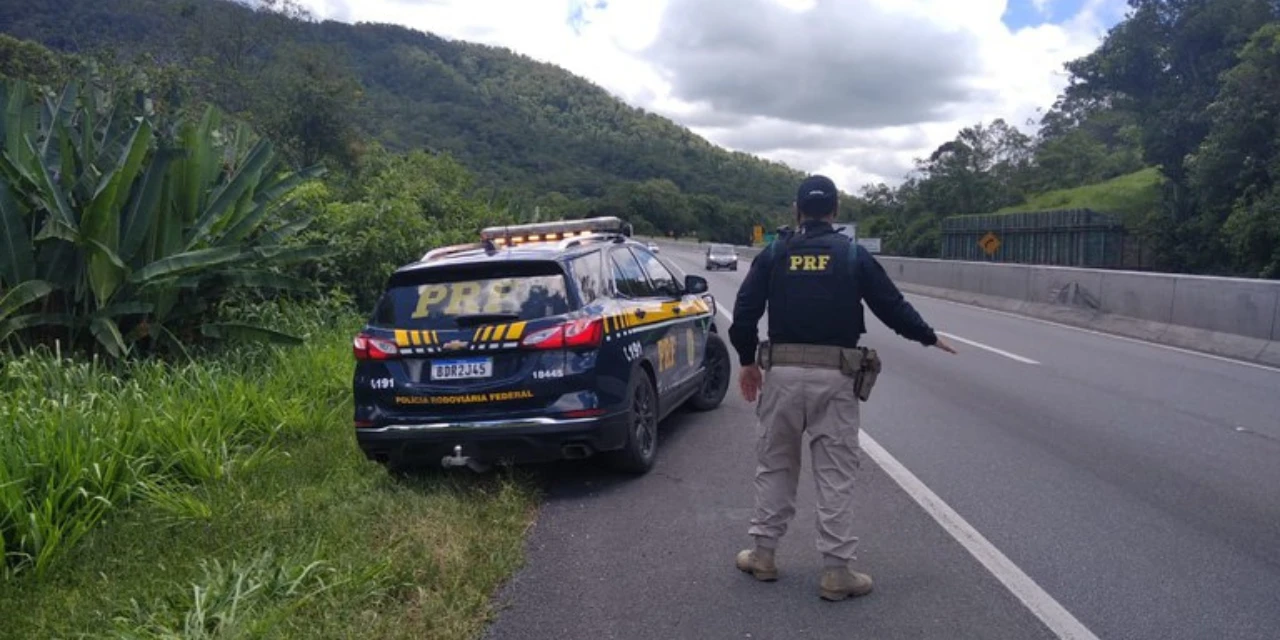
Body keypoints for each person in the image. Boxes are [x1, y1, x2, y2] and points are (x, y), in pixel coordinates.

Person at [728, 174, 957, 601]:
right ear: (834, 213)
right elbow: (891, 307)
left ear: (797, 212)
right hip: (835, 378)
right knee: (834, 473)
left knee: (775, 465)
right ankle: (836, 572)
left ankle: (763, 554)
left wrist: (746, 361)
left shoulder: (775, 252)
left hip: (780, 374)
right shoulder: (852, 256)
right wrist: (928, 335)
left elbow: (744, 314)